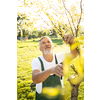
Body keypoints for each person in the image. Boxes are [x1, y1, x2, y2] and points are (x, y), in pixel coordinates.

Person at [31, 34, 79, 100]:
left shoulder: (59, 57)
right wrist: (50, 70)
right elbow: (35, 79)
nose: (46, 44)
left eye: (48, 42)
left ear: (52, 46)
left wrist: (72, 42)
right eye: (43, 43)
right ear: (40, 49)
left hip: (58, 97)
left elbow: (74, 53)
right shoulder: (37, 61)